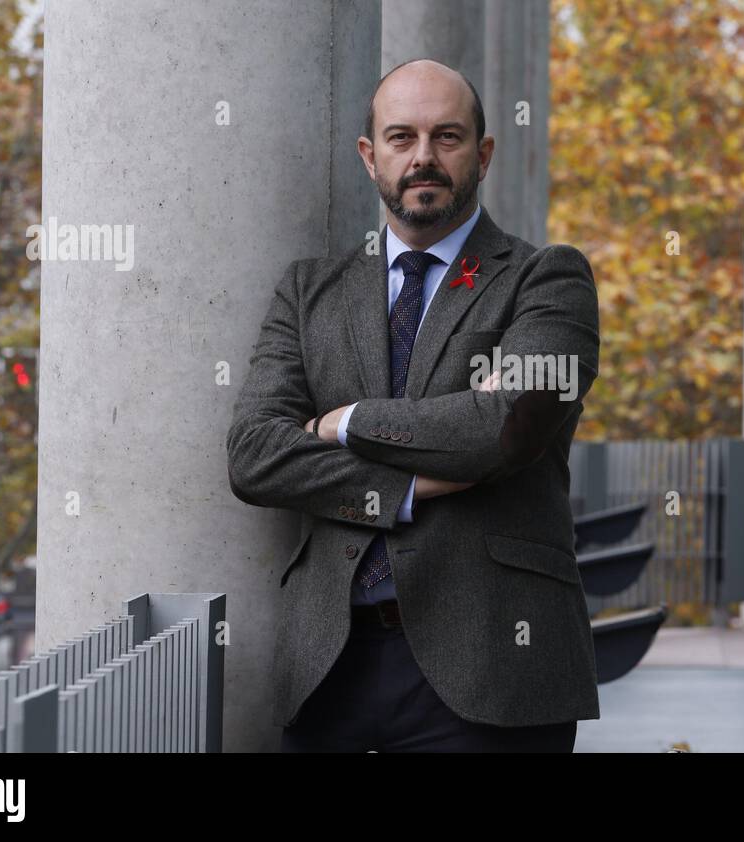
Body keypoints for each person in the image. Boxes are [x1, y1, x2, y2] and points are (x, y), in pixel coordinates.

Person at [226, 58, 601, 752]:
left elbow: (502, 428)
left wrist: (344, 423)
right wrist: (406, 483)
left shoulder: (548, 280)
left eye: (447, 137)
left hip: (494, 670)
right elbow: (255, 455)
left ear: (483, 154)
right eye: (401, 137)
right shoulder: (309, 293)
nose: (423, 158)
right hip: (328, 668)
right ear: (371, 157)